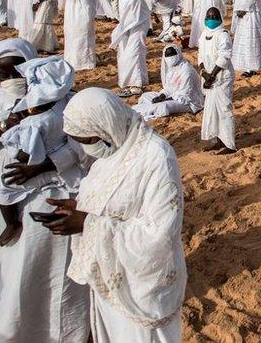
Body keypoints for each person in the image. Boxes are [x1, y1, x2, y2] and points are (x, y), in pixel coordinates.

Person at [0, 39, 90, 342]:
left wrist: (46, 165)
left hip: (50, 197)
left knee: (52, 270)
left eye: (16, 72)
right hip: (6, 196)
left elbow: (82, 148)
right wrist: (0, 128)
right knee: (13, 273)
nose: (11, 81)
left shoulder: (60, 98)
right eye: (4, 74)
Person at [44, 87, 186, 342]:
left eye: (87, 141)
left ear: (106, 129)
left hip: (142, 286)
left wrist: (88, 224)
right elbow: (112, 199)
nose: (86, 149)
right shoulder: (114, 151)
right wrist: (79, 208)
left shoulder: (156, 157)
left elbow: (160, 233)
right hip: (109, 276)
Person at [0, 57, 79, 247]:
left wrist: (11, 132)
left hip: (46, 168)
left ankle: (12, 224)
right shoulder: (69, 101)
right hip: (70, 163)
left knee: (3, 184)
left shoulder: (37, 119)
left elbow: (27, 155)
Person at [199, 8, 236, 154]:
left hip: (222, 77)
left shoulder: (223, 35)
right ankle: (218, 140)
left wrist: (212, 75)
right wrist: (204, 74)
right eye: (209, 16)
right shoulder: (204, 34)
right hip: (208, 77)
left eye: (214, 16)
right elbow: (200, 56)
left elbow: (224, 57)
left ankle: (230, 144)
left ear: (220, 18)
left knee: (224, 109)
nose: (211, 18)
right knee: (212, 109)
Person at [134, 45, 204, 120]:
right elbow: (169, 88)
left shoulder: (186, 70)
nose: (170, 57)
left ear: (178, 54)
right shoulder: (171, 70)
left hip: (188, 102)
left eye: (172, 55)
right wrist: (162, 96)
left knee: (162, 106)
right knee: (145, 96)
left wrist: (167, 98)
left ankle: (139, 112)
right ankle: (141, 110)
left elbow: (185, 93)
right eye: (167, 55)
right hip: (172, 96)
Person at [111, 0, 150, 97]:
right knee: (127, 53)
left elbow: (135, 14)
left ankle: (136, 86)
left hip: (136, 26)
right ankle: (139, 80)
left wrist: (122, 29)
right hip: (127, 27)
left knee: (133, 54)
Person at [60, 0, 97, 71]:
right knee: (72, 34)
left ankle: (84, 62)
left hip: (82, 11)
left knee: (82, 36)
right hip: (73, 10)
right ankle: (72, 60)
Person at [231, 0, 261, 78]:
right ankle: (244, 63)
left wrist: (243, 10)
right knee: (243, 39)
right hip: (243, 13)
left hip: (251, 15)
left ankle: (251, 67)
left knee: (251, 40)